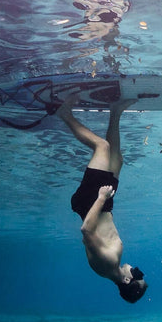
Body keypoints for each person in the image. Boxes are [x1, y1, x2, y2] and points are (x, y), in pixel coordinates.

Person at [57, 94, 148, 303]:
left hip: (92, 200)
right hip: (103, 203)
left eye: (137, 276)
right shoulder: (112, 266)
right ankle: (115, 110)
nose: (137, 270)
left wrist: (100, 197)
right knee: (117, 158)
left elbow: (86, 231)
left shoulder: (107, 263)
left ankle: (65, 114)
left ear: (127, 280)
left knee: (102, 147)